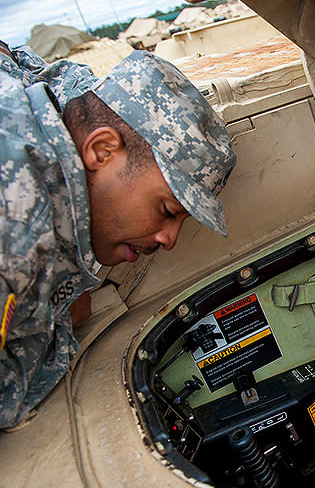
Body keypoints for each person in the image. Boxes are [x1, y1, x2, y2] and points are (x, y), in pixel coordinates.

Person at [0, 47, 236, 429]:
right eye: (165, 210)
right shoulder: (15, 227)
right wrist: (55, 319)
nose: (169, 239)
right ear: (102, 150)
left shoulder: (66, 110)